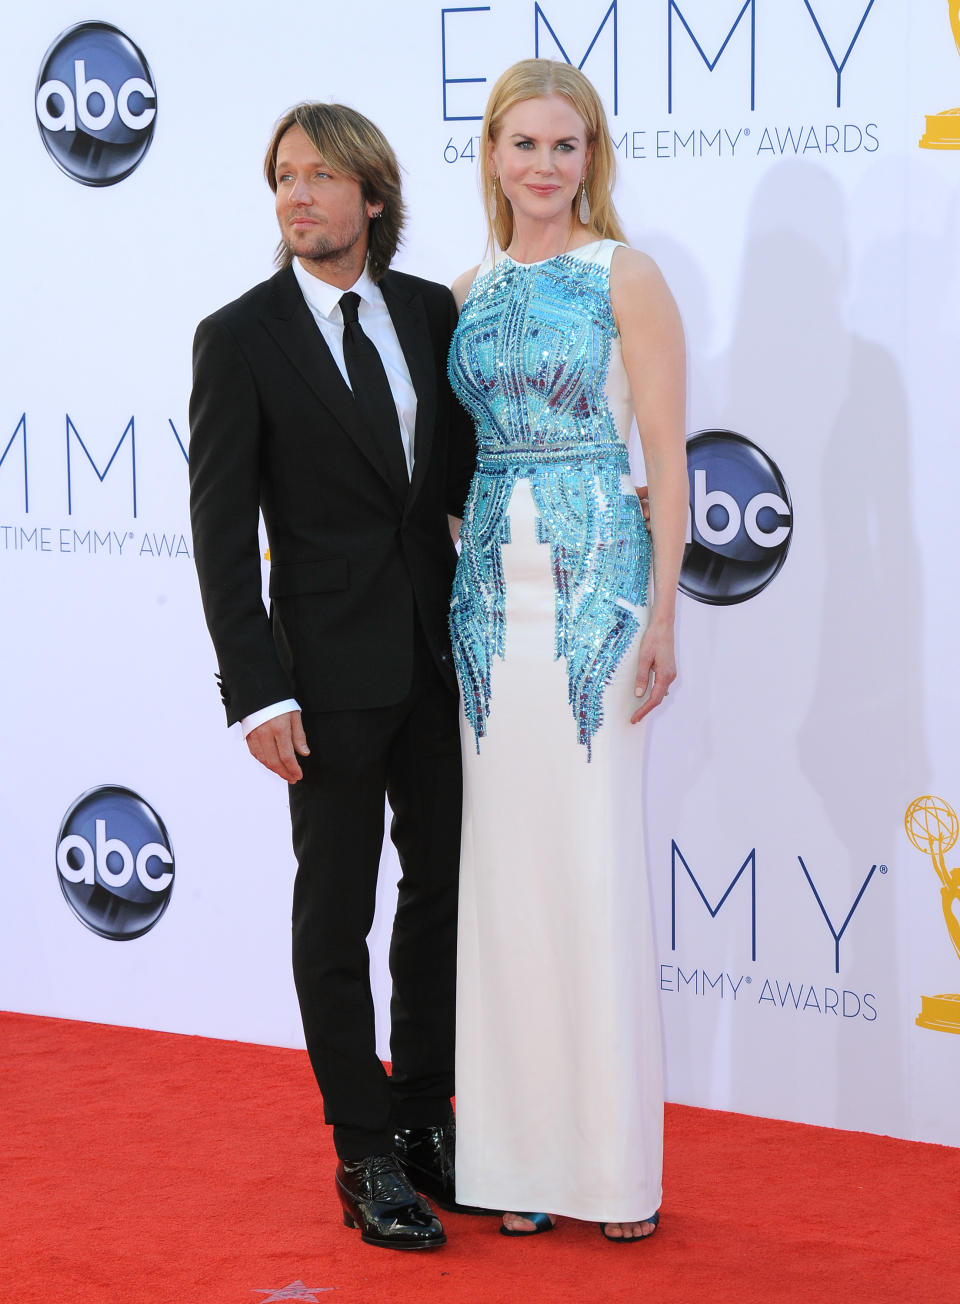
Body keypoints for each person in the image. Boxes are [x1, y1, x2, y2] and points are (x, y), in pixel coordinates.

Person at [188, 102, 475, 1251]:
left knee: (443, 892)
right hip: (327, 679)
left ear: (373, 197)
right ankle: (362, 1152)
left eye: (321, 177)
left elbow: (457, 475)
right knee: (335, 911)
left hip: (441, 658)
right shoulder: (240, 336)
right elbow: (217, 533)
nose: (298, 196)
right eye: (284, 178)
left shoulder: (428, 310)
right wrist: (258, 690)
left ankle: (423, 1116)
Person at [447, 60, 688, 1242]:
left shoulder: (624, 274)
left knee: (592, 872)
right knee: (506, 884)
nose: (545, 166)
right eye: (524, 145)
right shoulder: (463, 287)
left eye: (566, 145)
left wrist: (667, 611)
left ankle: (610, 1169)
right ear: (492, 157)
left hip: (596, 586)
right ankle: (517, 1160)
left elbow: (668, 453)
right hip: (490, 600)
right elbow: (445, 465)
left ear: (591, 157)